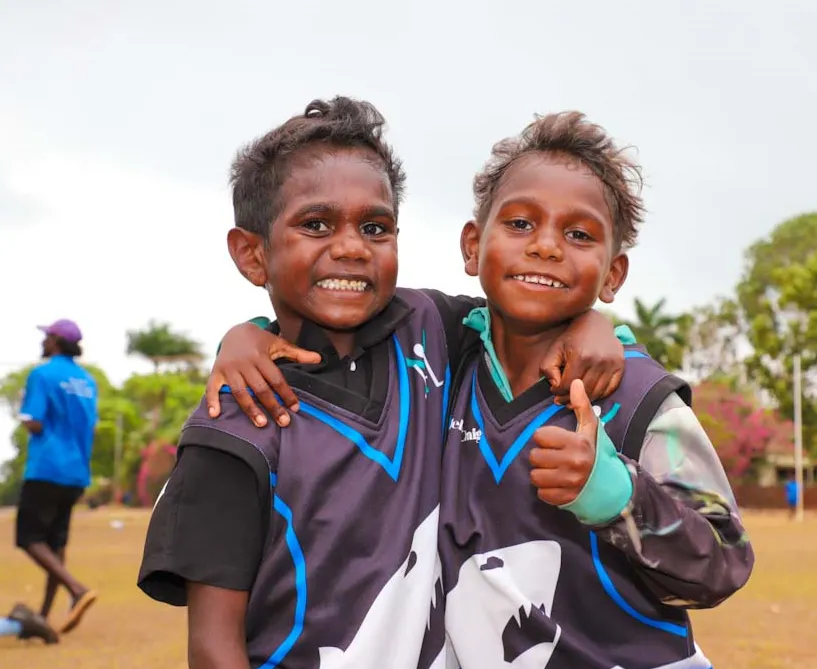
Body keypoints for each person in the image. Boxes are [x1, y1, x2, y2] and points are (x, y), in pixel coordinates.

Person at [212, 111, 755, 668]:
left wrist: (618, 497)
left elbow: (724, 565)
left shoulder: (633, 395)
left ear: (613, 273)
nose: (545, 247)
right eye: (520, 224)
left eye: (578, 234)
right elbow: (330, 312)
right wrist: (249, 335)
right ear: (473, 246)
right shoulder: (440, 361)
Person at [137, 96, 624, 669]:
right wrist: (241, 336)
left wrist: (597, 323)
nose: (350, 247)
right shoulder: (238, 425)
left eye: (375, 227)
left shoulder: (434, 331)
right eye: (315, 225)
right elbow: (214, 646)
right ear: (252, 255)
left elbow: (533, 303)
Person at [16, 319, 99, 634]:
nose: (43, 342)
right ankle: (43, 618)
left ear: (55, 342)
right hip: (77, 471)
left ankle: (77, 589)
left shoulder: (43, 373)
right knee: (55, 543)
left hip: (47, 467)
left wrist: (25, 412)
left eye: (47, 337)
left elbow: (34, 422)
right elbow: (89, 425)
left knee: (29, 538)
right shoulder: (87, 381)